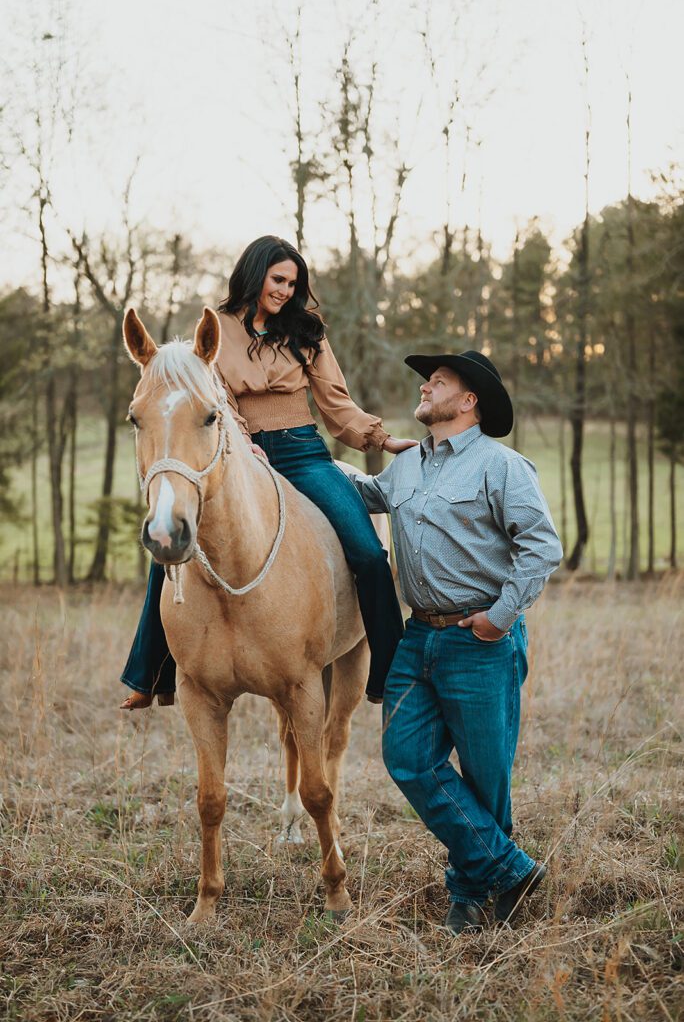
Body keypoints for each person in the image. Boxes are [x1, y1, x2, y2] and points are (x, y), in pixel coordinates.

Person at [120, 236, 414, 711]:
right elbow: (218, 405)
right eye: (278, 279)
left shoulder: (308, 331)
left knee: (368, 551)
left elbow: (336, 404)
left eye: (292, 283)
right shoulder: (215, 331)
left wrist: (381, 439)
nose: (284, 290)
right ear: (255, 274)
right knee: (173, 549)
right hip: (242, 457)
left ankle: (392, 672)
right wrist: (244, 446)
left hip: (304, 454)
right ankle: (150, 674)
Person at [346, 349, 563, 933]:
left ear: (469, 401)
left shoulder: (503, 466)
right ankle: (509, 867)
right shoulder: (410, 465)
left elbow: (541, 547)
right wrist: (286, 460)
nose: (425, 386)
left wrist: (499, 616)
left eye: (437, 382)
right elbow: (365, 493)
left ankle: (470, 896)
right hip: (418, 637)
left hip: (481, 639)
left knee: (485, 772)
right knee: (405, 757)